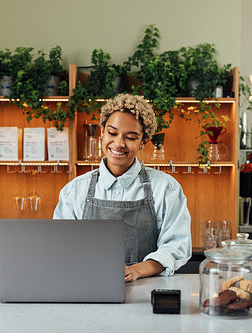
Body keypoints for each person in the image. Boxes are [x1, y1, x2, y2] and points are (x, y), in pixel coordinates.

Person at [53, 93, 192, 282]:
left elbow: (177, 247)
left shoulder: (166, 188)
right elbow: (61, 246)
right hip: (87, 287)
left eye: (131, 137)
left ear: (143, 142)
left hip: (147, 290)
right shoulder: (74, 191)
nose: (118, 143)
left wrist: (136, 270)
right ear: (101, 132)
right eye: (112, 133)